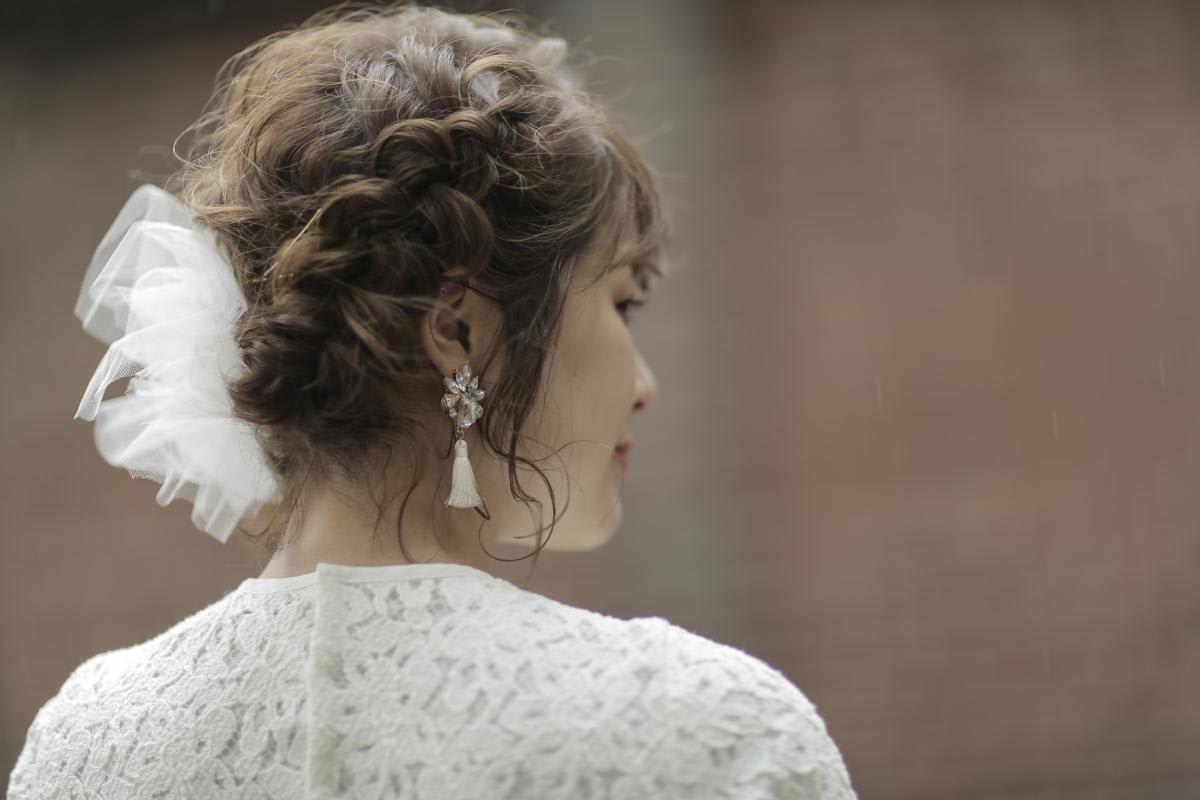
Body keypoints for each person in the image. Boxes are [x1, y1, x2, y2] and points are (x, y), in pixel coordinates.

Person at [7, 2, 859, 797]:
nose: (645, 385)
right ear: (456, 328)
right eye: (622, 301)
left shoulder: (88, 742)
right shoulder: (702, 729)